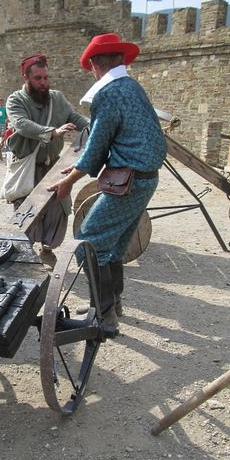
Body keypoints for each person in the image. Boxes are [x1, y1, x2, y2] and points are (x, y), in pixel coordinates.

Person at [48, 33, 167, 329]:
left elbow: (98, 144)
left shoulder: (109, 92)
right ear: (119, 60)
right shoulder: (132, 86)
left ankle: (103, 315)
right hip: (144, 179)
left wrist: (70, 180)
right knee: (113, 245)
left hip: (128, 181)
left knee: (86, 243)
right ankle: (113, 305)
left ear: (92, 65)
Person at [6, 53, 90, 257]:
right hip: (29, 167)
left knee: (57, 209)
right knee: (27, 212)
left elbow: (75, 118)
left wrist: (97, 128)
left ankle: (47, 248)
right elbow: (22, 124)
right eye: (38, 79)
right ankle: (27, 253)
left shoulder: (57, 98)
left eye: (45, 78)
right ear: (26, 78)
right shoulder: (16, 100)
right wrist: (52, 132)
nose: (43, 83)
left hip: (54, 167)